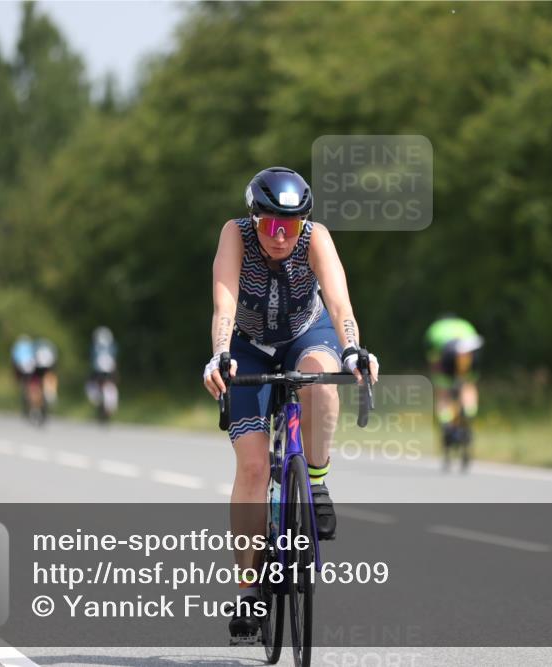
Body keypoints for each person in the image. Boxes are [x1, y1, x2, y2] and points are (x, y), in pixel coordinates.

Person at [202, 166, 378, 643]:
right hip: (249, 345)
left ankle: (316, 481)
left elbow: (340, 305)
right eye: (270, 224)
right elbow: (225, 305)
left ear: (304, 223)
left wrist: (354, 348)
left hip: (307, 332)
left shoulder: (315, 238)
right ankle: (249, 587)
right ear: (254, 217)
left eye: (291, 225)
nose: (280, 235)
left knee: (321, 379)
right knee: (254, 468)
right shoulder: (235, 235)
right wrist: (220, 353)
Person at [424, 314, 484, 449]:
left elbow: (431, 356)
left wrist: (436, 373)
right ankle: (469, 412)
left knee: (443, 393)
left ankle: (446, 422)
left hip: (447, 354)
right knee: (468, 386)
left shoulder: (435, 328)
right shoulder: (465, 324)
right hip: (469, 355)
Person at [86, 326, 118, 419]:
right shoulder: (112, 347)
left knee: (93, 386)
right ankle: (108, 406)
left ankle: (104, 404)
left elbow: (92, 361)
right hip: (106, 373)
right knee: (109, 387)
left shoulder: (95, 348)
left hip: (99, 373)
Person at [11, 335, 37, 414]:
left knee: (26, 385)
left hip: (22, 369)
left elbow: (14, 360)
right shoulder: (31, 347)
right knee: (31, 384)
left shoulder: (17, 348)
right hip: (32, 368)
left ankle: (27, 397)